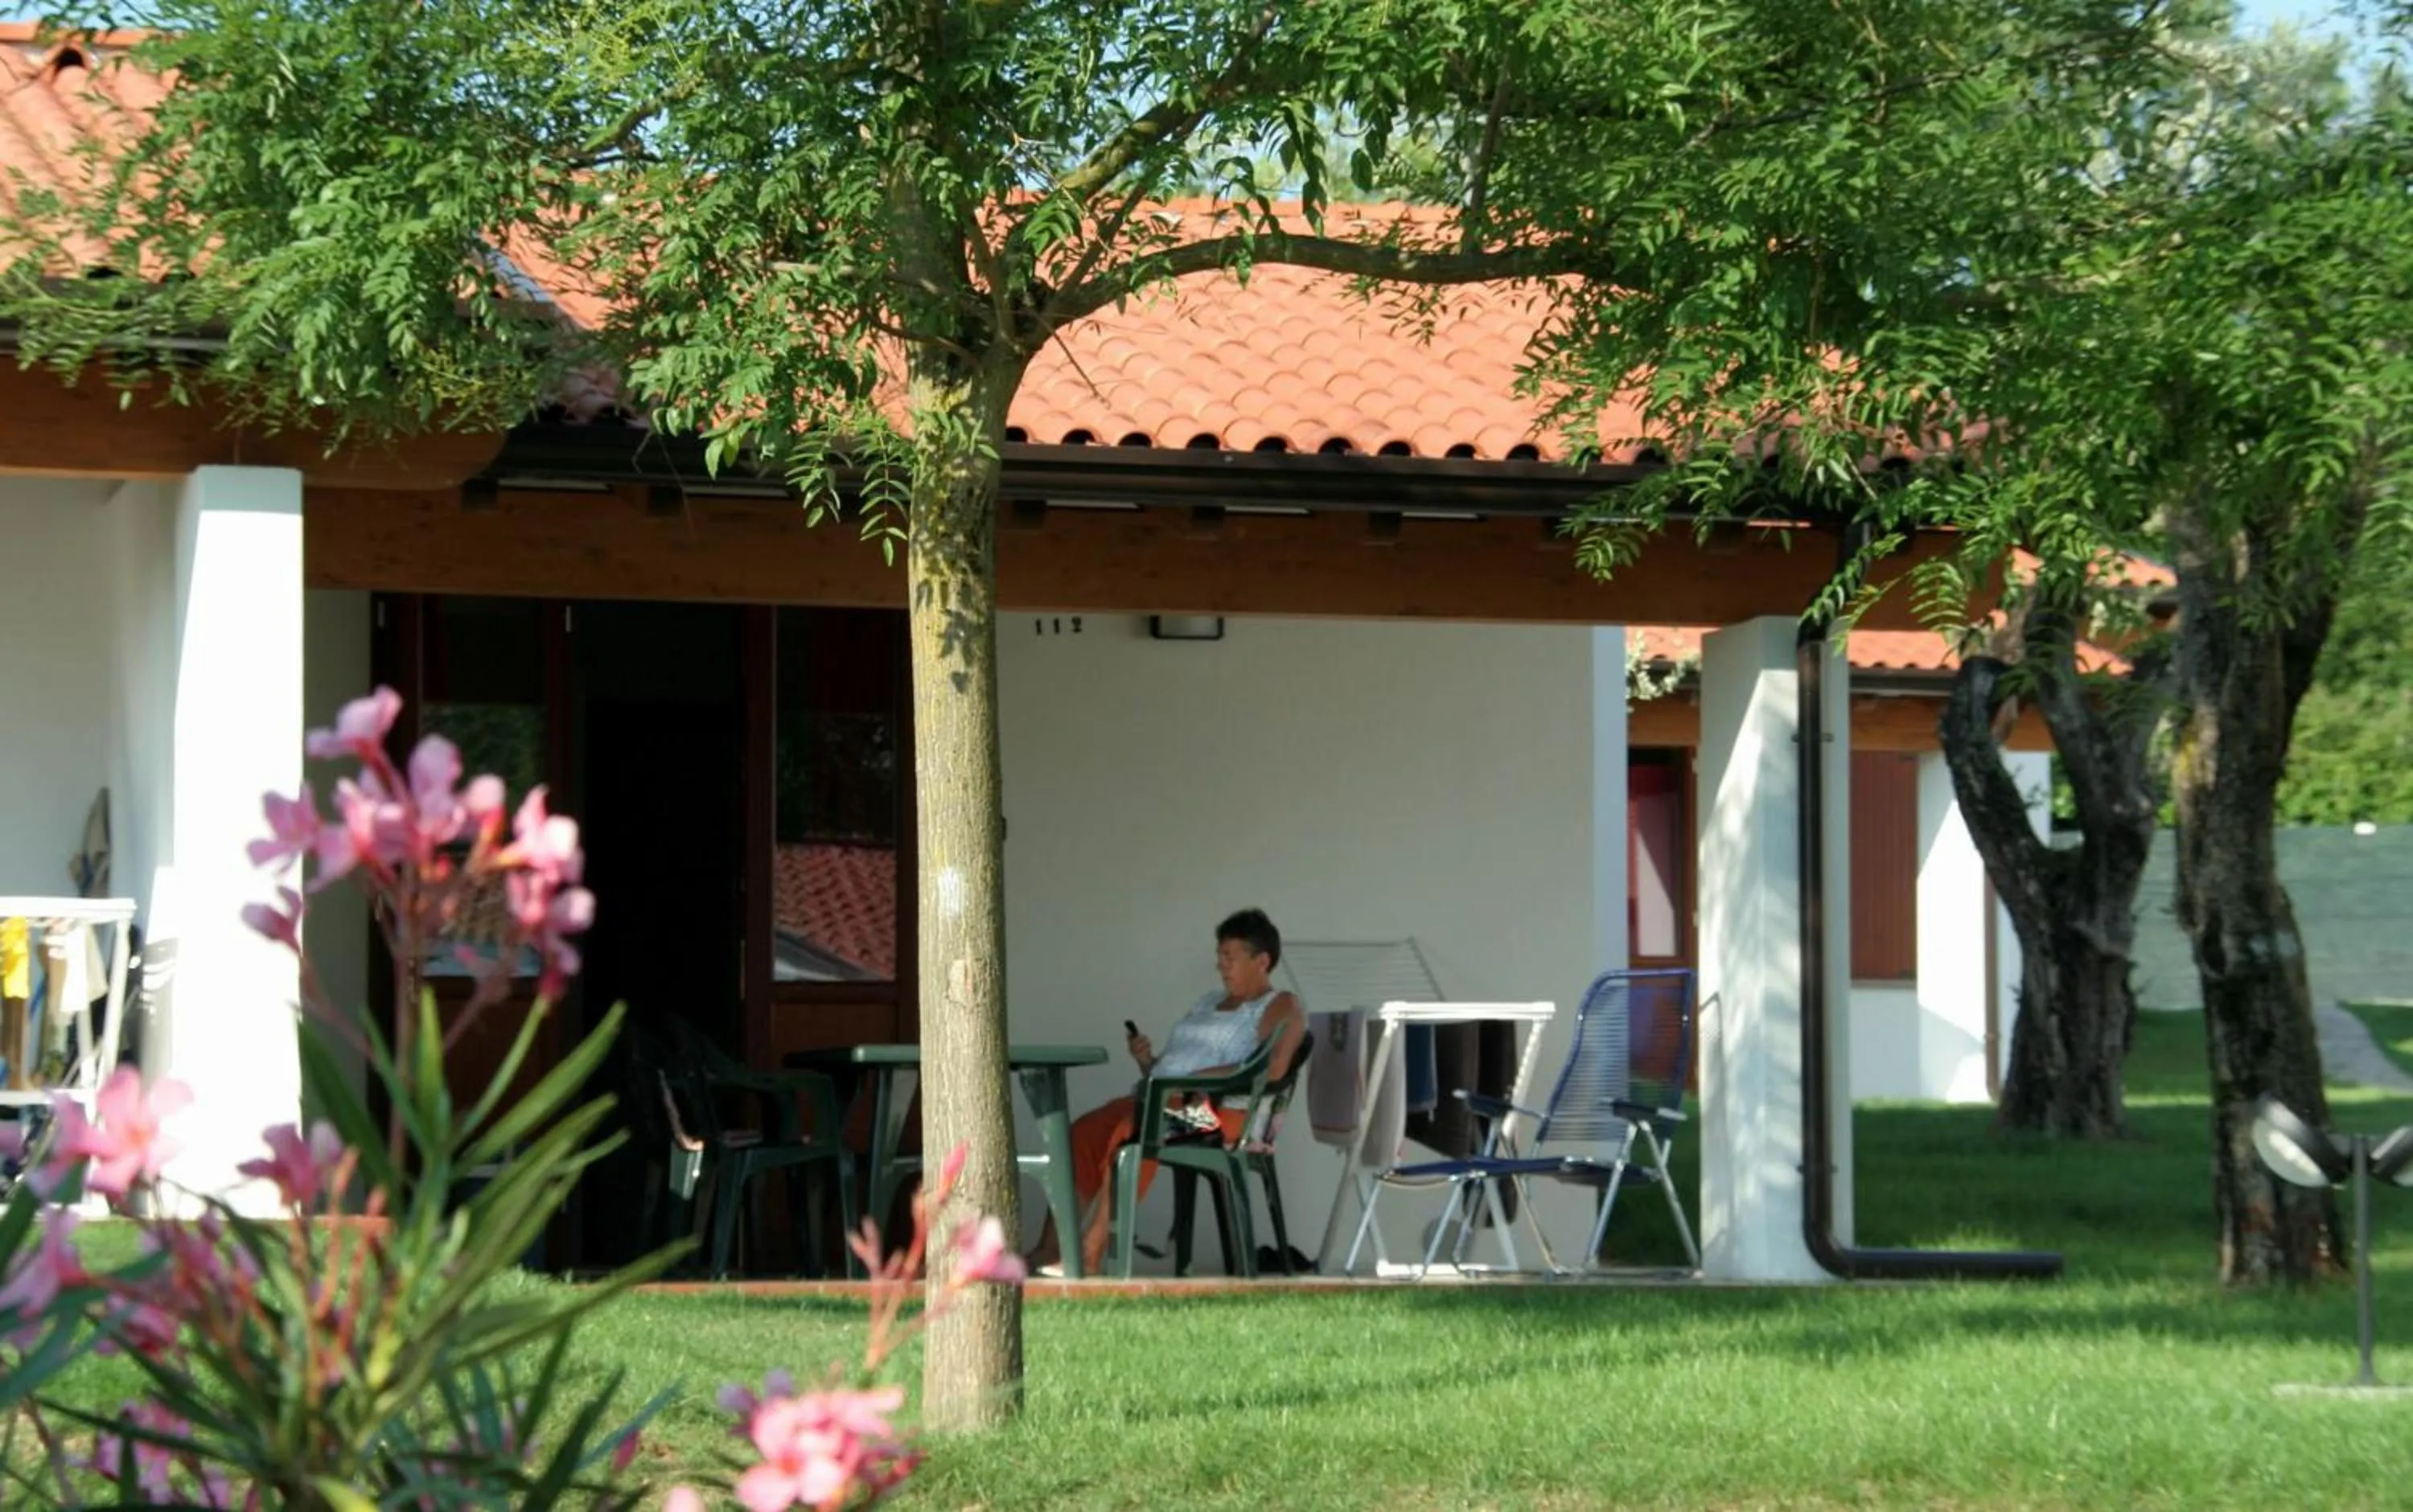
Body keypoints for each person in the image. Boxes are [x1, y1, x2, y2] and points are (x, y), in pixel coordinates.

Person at [1033, 908, 1305, 1276]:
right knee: (1083, 1134)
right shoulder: (1208, 1002)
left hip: (1221, 1115)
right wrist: (1150, 1063)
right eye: (1219, 957)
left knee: (1136, 1130)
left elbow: (1270, 1067)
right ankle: (1050, 1248)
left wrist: (1194, 1080)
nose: (1221, 966)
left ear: (1262, 961)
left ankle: (1090, 1252)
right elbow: (1175, 1068)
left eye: (1230, 957)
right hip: (1161, 1099)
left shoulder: (1281, 1005)